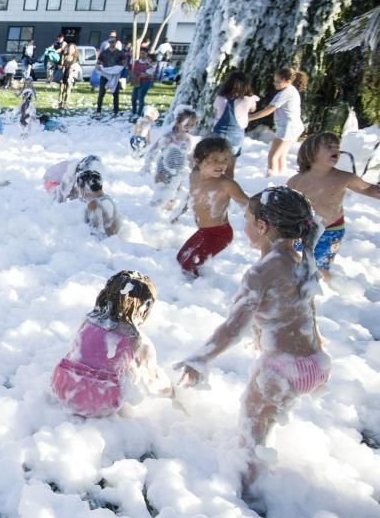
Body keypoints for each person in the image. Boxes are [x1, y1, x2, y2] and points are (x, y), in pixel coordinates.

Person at [176, 187, 327, 500]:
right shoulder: (302, 261)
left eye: (246, 219)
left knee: (253, 432)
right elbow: (307, 315)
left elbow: (233, 328)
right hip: (315, 364)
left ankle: (245, 492)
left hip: (281, 370)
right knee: (269, 417)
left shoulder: (261, 273)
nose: (243, 226)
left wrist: (200, 359)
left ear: (262, 227)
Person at [52, 271, 168, 417]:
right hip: (102, 399)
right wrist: (172, 393)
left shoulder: (89, 321)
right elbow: (153, 377)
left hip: (63, 385)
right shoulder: (137, 339)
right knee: (131, 369)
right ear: (144, 308)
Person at [287, 132, 380, 280]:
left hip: (331, 230)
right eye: (329, 147)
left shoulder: (344, 177)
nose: (335, 150)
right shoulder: (296, 181)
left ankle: (327, 288)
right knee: (295, 260)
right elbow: (286, 204)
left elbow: (367, 189)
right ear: (310, 152)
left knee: (321, 267)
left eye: (337, 147)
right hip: (303, 229)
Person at [174, 138, 249, 277]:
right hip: (203, 231)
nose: (221, 164)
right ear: (198, 161)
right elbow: (189, 197)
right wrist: (178, 213)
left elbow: (247, 205)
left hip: (220, 234)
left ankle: (196, 291)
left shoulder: (226, 185)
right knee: (180, 258)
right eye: (214, 159)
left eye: (225, 159)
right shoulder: (194, 177)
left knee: (189, 265)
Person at [248, 67, 308, 176]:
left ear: (288, 81)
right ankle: (279, 179)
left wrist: (249, 118)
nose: (274, 83)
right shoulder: (290, 90)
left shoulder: (285, 93)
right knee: (280, 155)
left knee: (273, 156)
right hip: (292, 127)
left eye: (278, 81)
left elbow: (268, 110)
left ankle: (269, 180)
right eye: (274, 80)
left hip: (288, 127)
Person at [212, 71, 260, 179]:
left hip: (218, 133)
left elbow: (216, 112)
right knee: (230, 166)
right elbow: (253, 109)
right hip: (236, 134)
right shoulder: (248, 100)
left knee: (215, 164)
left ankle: (213, 188)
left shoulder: (220, 98)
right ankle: (227, 190)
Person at [145, 108, 196, 204]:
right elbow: (154, 149)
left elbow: (189, 155)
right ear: (177, 122)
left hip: (178, 170)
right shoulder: (169, 136)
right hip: (163, 168)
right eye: (187, 125)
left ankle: (166, 214)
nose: (189, 128)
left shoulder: (188, 139)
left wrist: (193, 168)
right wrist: (147, 164)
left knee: (173, 194)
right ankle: (154, 209)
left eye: (192, 125)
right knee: (160, 192)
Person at [77, 169, 121, 239]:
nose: (79, 192)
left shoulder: (94, 204)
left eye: (79, 188)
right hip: (115, 243)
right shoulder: (108, 200)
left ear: (85, 188)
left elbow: (95, 234)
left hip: (106, 244)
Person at [95, 40, 127, 117]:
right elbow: (98, 61)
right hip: (105, 75)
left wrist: (121, 68)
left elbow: (124, 62)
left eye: (113, 42)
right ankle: (98, 110)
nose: (112, 43)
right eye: (111, 42)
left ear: (116, 43)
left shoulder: (120, 53)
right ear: (109, 43)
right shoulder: (104, 52)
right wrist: (98, 66)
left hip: (115, 76)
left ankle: (116, 111)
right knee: (101, 93)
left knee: (115, 94)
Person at [129, 52, 156, 121]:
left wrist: (141, 74)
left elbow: (146, 74)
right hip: (137, 82)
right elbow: (133, 70)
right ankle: (133, 112)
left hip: (145, 83)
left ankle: (139, 114)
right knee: (133, 98)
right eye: (141, 53)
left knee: (140, 97)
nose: (142, 55)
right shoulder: (137, 62)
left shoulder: (152, 65)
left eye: (144, 53)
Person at [57, 45, 81, 110]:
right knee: (61, 90)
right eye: (69, 48)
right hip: (64, 74)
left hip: (71, 76)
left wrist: (73, 69)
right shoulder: (65, 56)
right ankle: (60, 104)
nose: (70, 50)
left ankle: (65, 104)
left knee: (68, 91)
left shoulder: (76, 58)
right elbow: (61, 65)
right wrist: (61, 64)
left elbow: (77, 67)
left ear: (74, 50)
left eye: (71, 49)